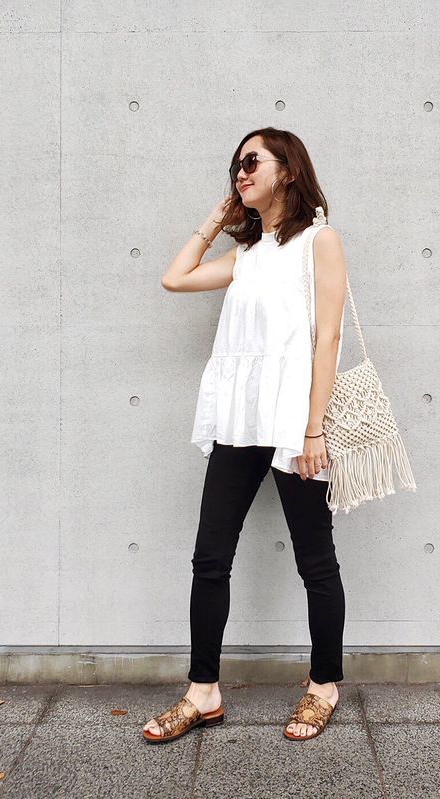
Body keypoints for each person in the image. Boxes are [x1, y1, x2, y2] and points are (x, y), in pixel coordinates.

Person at [143, 127, 348, 743]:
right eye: (236, 163)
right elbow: (174, 278)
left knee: (315, 560)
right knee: (210, 559)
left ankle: (323, 685)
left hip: (294, 425)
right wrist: (217, 219)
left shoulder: (318, 241)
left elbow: (328, 338)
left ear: (289, 169)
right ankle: (202, 692)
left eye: (253, 161)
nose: (241, 170)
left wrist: (313, 429)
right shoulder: (247, 256)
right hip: (240, 421)